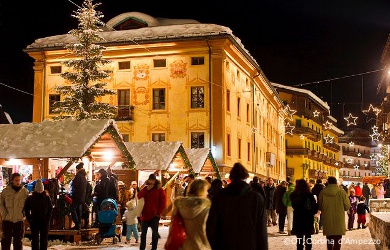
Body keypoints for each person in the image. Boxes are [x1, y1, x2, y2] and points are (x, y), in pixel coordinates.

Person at [206, 162, 268, 250]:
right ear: (246, 177)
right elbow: (261, 230)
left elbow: (211, 227)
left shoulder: (219, 197)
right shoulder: (256, 198)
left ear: (231, 177)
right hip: (249, 244)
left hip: (225, 245)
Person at [173, 179, 211, 249]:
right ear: (201, 191)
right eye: (206, 190)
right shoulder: (206, 210)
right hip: (201, 247)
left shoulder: (179, 208)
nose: (207, 193)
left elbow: (173, 227)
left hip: (183, 247)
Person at [318, 176, 350, 250]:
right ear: (336, 182)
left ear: (328, 182)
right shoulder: (342, 192)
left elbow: (320, 206)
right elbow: (347, 206)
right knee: (338, 240)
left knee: (329, 239)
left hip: (327, 218)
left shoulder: (323, 192)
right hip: (339, 219)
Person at [137, 174, 166, 250]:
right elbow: (139, 196)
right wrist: (146, 190)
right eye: (150, 180)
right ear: (148, 180)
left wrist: (158, 213)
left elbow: (163, 203)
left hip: (154, 215)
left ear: (155, 181)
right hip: (145, 215)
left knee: (155, 234)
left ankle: (154, 248)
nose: (152, 181)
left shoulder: (160, 190)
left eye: (153, 180)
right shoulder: (146, 188)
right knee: (143, 234)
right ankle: (142, 248)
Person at [0, 173, 29, 250]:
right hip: (7, 220)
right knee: (6, 241)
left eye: (19, 180)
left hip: (19, 220)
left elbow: (27, 205)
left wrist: (24, 214)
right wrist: (4, 215)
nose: (18, 182)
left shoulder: (24, 192)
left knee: (18, 241)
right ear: (12, 181)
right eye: (16, 180)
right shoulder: (5, 191)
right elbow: (1, 204)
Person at [24, 179, 53, 250]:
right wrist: (29, 218)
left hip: (44, 221)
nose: (40, 191)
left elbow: (50, 208)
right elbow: (26, 208)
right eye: (38, 190)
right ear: (35, 189)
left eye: (41, 190)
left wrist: (48, 219)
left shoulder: (46, 198)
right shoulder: (31, 198)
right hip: (34, 221)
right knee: (35, 239)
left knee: (44, 239)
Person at [290, 179, 318, 250]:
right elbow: (314, 206)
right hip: (307, 217)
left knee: (299, 237)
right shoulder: (309, 195)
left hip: (298, 217)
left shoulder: (293, 195)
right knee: (308, 236)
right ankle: (308, 248)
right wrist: (313, 212)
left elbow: (294, 206)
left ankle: (299, 248)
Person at [69, 162, 87, 230]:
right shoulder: (83, 176)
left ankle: (77, 223)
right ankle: (78, 225)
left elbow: (74, 185)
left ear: (78, 169)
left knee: (73, 209)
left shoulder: (78, 175)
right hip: (82, 196)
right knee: (79, 210)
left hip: (76, 196)